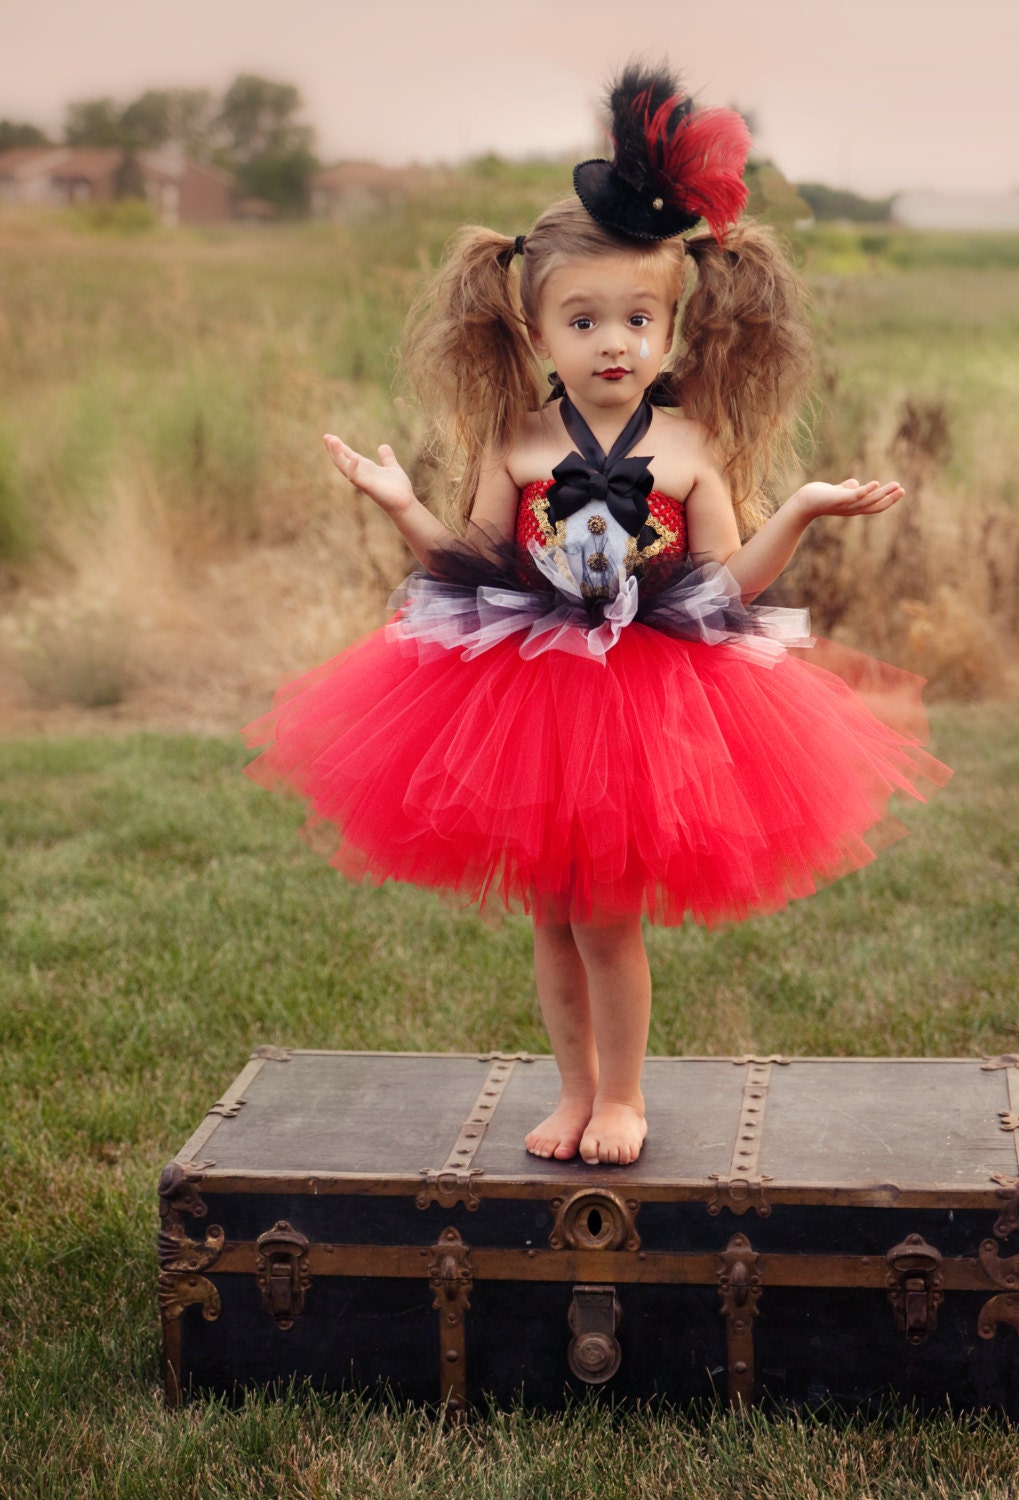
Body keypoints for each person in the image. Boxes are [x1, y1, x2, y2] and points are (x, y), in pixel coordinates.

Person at [242, 65, 950, 1169]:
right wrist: (401, 507)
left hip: (648, 701)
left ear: (672, 330)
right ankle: (571, 1093)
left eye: (637, 319)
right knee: (551, 916)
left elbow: (727, 588)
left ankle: (622, 1098)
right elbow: (469, 570)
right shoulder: (517, 443)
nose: (613, 341)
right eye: (584, 320)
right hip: (526, 694)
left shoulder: (689, 449)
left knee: (610, 916)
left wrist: (804, 512)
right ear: (538, 333)